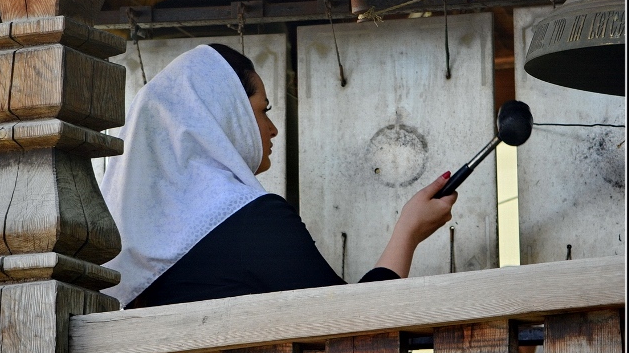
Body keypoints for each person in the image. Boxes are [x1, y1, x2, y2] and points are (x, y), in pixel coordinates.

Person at [100, 43, 457, 309]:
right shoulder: (253, 220)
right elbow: (353, 322)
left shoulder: (111, 247)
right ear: (226, 116)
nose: (272, 130)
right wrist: (408, 232)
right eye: (262, 111)